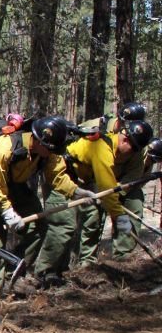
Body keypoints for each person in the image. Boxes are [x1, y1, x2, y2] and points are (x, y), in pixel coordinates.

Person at [34, 120, 152, 280]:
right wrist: (119, 217)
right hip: (60, 176)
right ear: (125, 139)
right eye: (134, 149)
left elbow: (110, 189)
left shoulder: (119, 148)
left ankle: (68, 270)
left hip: (81, 181)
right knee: (64, 225)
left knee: (91, 219)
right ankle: (44, 273)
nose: (134, 154)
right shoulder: (102, 149)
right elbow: (107, 189)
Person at [0, 116, 73, 292]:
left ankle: (14, 275)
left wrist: (75, 191)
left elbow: (56, 176)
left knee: (38, 226)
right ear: (40, 142)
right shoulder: (6, 146)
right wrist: (7, 211)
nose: (52, 154)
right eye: (50, 150)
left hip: (17, 187)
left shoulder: (47, 154)